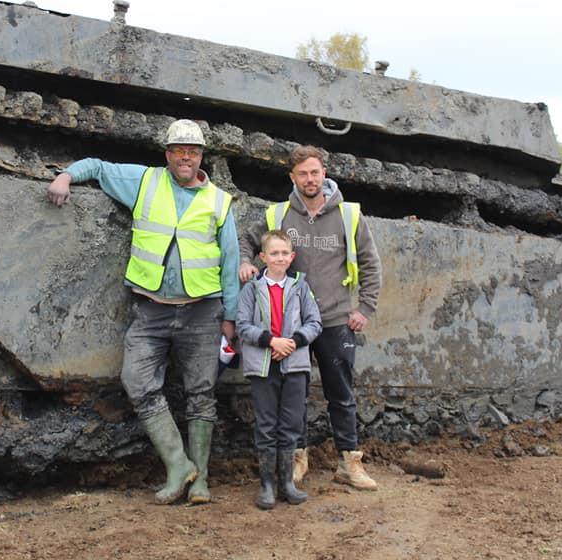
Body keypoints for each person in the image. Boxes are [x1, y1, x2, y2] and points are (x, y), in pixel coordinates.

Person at [47, 119, 239, 505]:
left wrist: (230, 318)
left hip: (202, 312)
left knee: (201, 393)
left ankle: (200, 481)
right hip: (151, 310)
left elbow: (230, 263)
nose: (186, 156)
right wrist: (66, 175)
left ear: (202, 156)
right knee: (136, 380)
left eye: (194, 151)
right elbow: (99, 168)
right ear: (167, 153)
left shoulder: (219, 200)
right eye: (179, 150)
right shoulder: (145, 181)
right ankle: (178, 464)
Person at [239, 145, 382, 490]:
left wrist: (364, 308)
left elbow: (370, 262)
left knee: (341, 393)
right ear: (292, 177)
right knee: (293, 393)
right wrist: (246, 262)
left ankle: (350, 462)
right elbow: (247, 238)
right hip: (293, 326)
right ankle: (297, 459)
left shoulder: (348, 215)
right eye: (302, 173)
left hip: (335, 319)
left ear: (324, 173)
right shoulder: (278, 215)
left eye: (315, 172)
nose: (310, 179)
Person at [237, 230, 322, 509]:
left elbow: (314, 323)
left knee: (291, 423)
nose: (280, 258)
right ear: (263, 257)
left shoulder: (300, 287)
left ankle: (287, 482)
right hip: (263, 366)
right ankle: (267, 484)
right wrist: (271, 341)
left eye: (285, 253)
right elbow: (243, 325)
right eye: (274, 253)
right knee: (266, 424)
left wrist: (292, 343)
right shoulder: (251, 288)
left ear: (292, 257)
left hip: (294, 364)